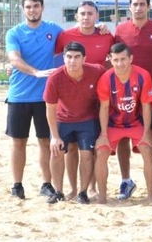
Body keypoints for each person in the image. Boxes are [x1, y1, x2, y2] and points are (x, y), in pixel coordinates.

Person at [5, 0, 63, 200]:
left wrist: (101, 27)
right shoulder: (14, 33)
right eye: (28, 7)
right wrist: (35, 72)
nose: (32, 10)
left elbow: (75, 39)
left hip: (45, 98)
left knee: (45, 142)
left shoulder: (54, 29)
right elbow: (14, 58)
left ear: (42, 7)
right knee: (18, 142)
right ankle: (17, 185)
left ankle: (46, 184)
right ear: (23, 9)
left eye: (36, 6)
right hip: (19, 96)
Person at [55, 1, 115, 199]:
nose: (86, 17)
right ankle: (73, 188)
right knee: (71, 148)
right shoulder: (66, 36)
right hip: (72, 99)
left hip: (97, 99)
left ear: (97, 16)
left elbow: (116, 58)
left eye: (90, 13)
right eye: (82, 13)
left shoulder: (107, 35)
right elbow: (52, 56)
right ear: (76, 17)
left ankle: (90, 188)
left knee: (92, 148)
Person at [114, 0, 152, 200]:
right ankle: (126, 181)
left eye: (142, 4)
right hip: (125, 94)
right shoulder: (120, 29)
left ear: (149, 6)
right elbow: (113, 55)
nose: (138, 7)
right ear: (129, 7)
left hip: (151, 94)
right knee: (123, 137)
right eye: (135, 4)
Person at [94, 43, 152, 204]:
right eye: (115, 60)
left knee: (147, 149)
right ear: (110, 60)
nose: (120, 64)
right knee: (101, 153)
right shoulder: (106, 79)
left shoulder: (142, 75)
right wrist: (103, 134)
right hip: (113, 125)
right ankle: (102, 197)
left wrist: (146, 133)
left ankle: (151, 196)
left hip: (135, 123)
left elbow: (146, 106)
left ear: (131, 59)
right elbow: (104, 107)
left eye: (123, 59)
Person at [43, 42, 106, 204]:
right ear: (63, 58)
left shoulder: (97, 71)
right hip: (63, 119)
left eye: (77, 57)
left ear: (84, 59)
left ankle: (83, 192)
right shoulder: (55, 78)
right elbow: (50, 109)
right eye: (69, 57)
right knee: (56, 151)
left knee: (86, 155)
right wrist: (54, 137)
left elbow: (112, 79)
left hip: (87, 119)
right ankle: (58, 191)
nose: (73, 61)